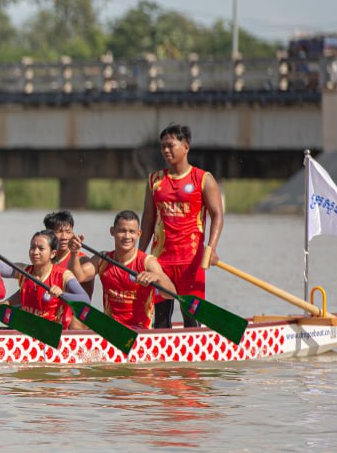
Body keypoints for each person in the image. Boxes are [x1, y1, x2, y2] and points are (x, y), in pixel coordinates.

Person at [139, 122, 223, 329]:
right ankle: (160, 360)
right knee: (160, 319)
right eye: (162, 146)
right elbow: (148, 220)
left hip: (191, 261)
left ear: (186, 147)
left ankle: (192, 360)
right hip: (160, 261)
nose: (165, 150)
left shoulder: (203, 179)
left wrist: (211, 248)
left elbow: (217, 215)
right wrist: (139, 254)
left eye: (170, 145)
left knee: (191, 320)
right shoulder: (154, 180)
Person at [69, 211, 175, 329]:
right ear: (112, 231)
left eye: (132, 232)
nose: (127, 236)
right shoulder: (102, 259)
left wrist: (157, 278)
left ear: (139, 234)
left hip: (139, 329)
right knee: (77, 321)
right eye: (122, 231)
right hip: (110, 327)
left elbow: (171, 294)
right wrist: (74, 253)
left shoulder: (147, 262)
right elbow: (78, 276)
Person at [4, 230, 90, 329]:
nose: (35, 252)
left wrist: (61, 294)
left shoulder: (64, 275)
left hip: (52, 333)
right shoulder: (23, 270)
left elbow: (85, 299)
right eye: (32, 248)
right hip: (27, 330)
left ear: (53, 254)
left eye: (41, 249)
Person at [42, 210, 94, 297]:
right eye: (59, 231)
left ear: (73, 234)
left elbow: (76, 278)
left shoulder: (84, 261)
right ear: (48, 234)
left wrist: (74, 253)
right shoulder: (45, 259)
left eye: (68, 232)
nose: (64, 237)